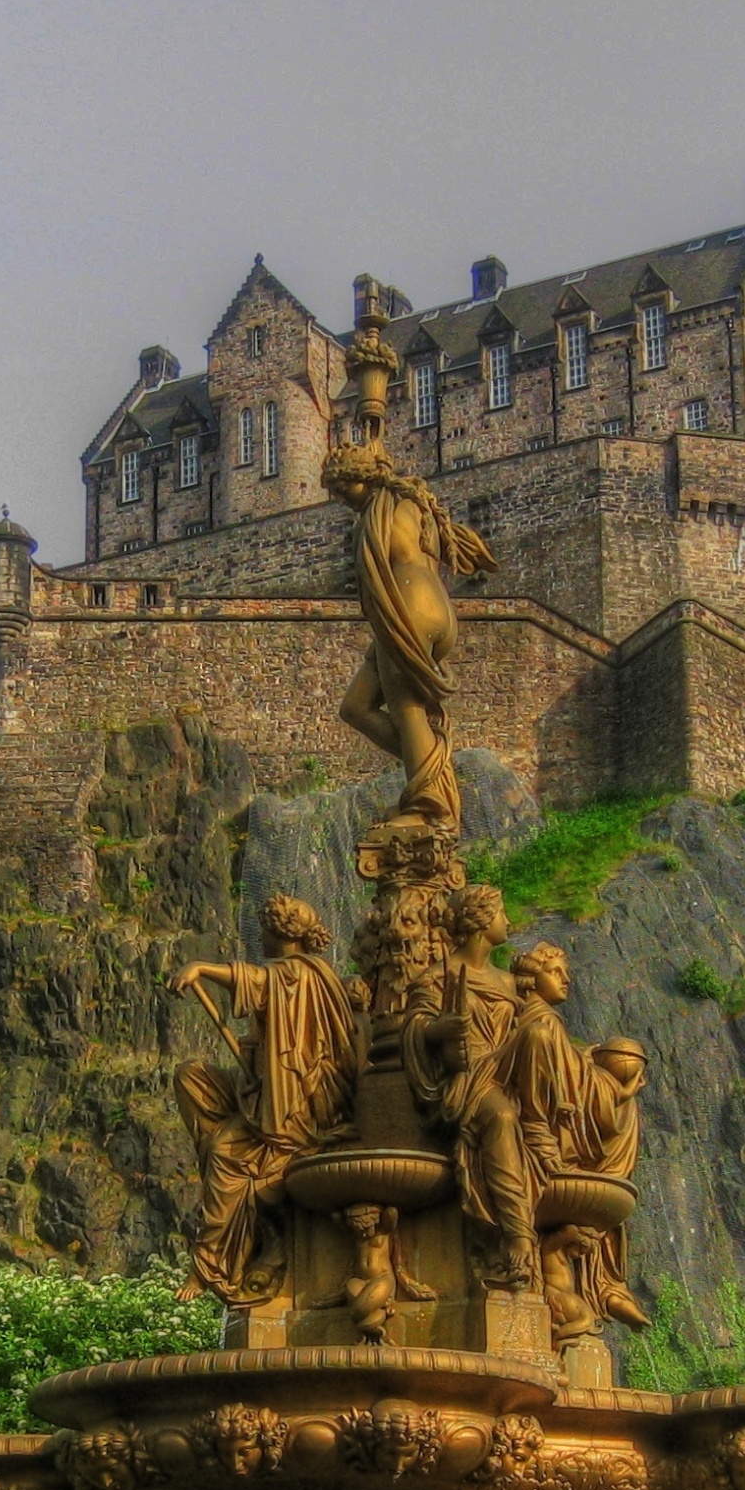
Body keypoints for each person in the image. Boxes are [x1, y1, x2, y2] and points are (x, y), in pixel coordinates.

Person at [173, 894, 356, 1303]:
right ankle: (243, 1161)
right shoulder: (301, 972)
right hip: (265, 1090)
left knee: (225, 1152)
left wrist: (201, 967)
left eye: (263, 932)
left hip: (298, 1102)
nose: (260, 939)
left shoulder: (300, 973)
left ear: (278, 934)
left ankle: (210, 1264)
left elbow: (258, 983)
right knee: (191, 1076)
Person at [322, 441, 494, 832]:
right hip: (439, 610)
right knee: (356, 707)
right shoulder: (416, 502)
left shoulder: (377, 511)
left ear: (362, 478)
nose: (338, 498)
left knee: (408, 709)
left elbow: (373, 571)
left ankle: (430, 805)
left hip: (407, 608)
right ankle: (434, 774)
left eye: (341, 488)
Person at [504, 942, 649, 1331]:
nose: (565, 979)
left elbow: (567, 1070)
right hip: (544, 1131)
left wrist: (588, 1058)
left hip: (549, 1123)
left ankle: (607, 1286)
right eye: (555, 972)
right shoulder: (541, 1022)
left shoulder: (538, 1019)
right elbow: (560, 1082)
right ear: (533, 979)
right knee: (622, 1116)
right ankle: (605, 1286)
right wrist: (620, 1090)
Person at [403, 882, 538, 1288]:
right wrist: (437, 1030)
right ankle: (517, 1233)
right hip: (468, 1079)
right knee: (500, 1115)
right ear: (482, 922)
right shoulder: (438, 978)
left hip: (509, 1073)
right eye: (501, 913)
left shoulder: (510, 983)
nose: (508, 921)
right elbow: (413, 1029)